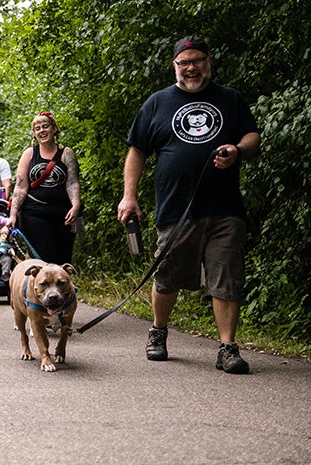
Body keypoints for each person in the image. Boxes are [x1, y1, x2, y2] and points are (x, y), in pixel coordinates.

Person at [116, 36, 261, 374]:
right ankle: (158, 331)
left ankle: (227, 348)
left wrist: (238, 150)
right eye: (184, 62)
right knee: (167, 276)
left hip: (225, 208)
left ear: (208, 62)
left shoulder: (230, 99)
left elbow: (253, 137)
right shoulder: (157, 103)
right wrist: (129, 196)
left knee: (227, 276)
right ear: (175, 67)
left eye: (197, 60)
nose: (191, 67)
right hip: (175, 209)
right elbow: (136, 150)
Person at [7, 112, 81, 265]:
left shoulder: (67, 154)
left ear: (54, 129)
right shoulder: (29, 154)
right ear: (34, 134)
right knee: (45, 257)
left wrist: (75, 205)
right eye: (37, 128)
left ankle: (62, 288)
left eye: (45, 126)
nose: (42, 131)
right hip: (34, 212)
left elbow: (72, 183)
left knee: (63, 259)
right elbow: (20, 188)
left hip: (63, 213)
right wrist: (13, 215)